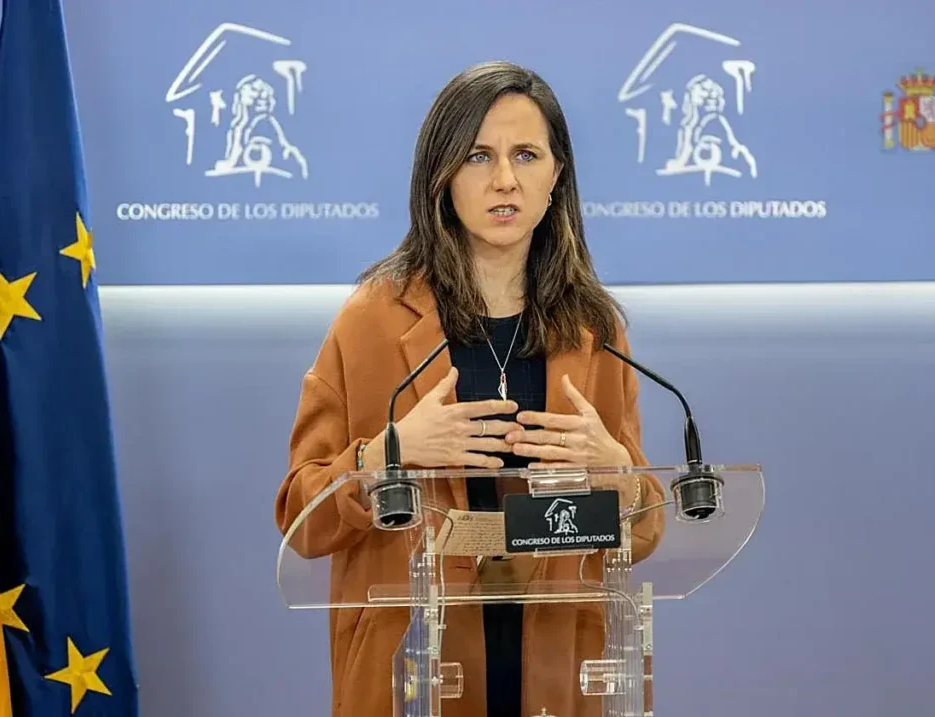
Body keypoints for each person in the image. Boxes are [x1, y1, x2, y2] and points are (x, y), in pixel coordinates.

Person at [275, 60, 665, 717]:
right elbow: (300, 522)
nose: (505, 179)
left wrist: (621, 474)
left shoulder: (594, 330)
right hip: (415, 678)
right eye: (479, 156)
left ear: (556, 176)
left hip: (557, 675)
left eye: (526, 155)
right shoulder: (370, 321)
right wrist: (388, 454)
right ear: (442, 175)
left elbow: (645, 528)